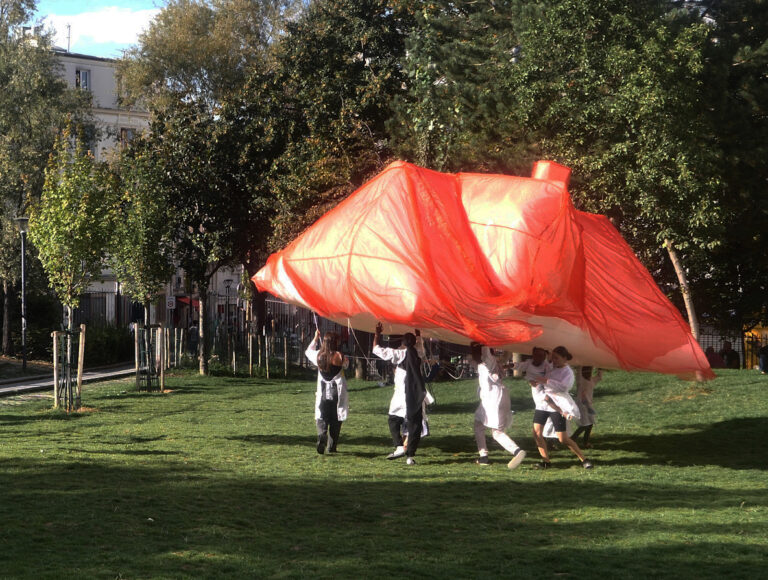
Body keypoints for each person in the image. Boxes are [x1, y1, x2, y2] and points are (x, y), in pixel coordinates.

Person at [530, 346, 593, 469]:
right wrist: (536, 383)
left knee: (563, 439)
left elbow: (564, 387)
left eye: (556, 358)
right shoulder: (551, 368)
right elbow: (543, 380)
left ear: (564, 358)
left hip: (557, 405)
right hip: (543, 404)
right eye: (552, 357)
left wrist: (546, 381)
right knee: (536, 433)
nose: (553, 360)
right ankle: (546, 461)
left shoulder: (568, 372)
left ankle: (584, 459)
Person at [373, 323, 427, 465]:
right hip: (416, 395)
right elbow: (420, 343)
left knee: (393, 419)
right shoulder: (419, 352)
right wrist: (418, 331)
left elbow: (376, 349)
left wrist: (377, 333)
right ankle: (410, 456)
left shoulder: (400, 353)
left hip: (402, 394)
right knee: (414, 426)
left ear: (403, 343)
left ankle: (398, 446)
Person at [471, 343, 526, 469]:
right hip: (494, 398)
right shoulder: (486, 362)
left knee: (497, 432)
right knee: (478, 424)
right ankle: (483, 457)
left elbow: (485, 350)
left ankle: (517, 451)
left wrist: (482, 338)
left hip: (494, 399)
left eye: (474, 352)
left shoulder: (487, 360)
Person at [305, 329, 349, 455]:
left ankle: (322, 434)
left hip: (323, 391)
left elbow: (308, 351)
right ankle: (332, 445)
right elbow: (346, 365)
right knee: (336, 418)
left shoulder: (318, 355)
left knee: (322, 416)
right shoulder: (340, 356)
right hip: (337, 393)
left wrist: (314, 338)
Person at [571, 366, 602, 448]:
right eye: (587, 370)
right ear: (583, 371)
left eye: (590, 370)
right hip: (582, 405)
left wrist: (600, 368)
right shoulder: (581, 380)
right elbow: (578, 371)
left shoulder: (591, 380)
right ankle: (572, 439)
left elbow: (599, 377)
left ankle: (585, 443)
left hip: (589, 405)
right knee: (585, 424)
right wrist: (580, 366)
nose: (589, 372)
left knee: (590, 423)